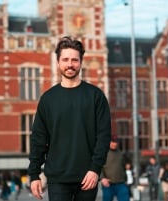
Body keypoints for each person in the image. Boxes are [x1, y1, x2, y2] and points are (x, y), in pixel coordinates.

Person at [28, 36, 112, 201]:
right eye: (65, 59)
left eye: (74, 60)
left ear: (81, 62)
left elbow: (103, 136)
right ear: (58, 62)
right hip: (57, 178)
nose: (70, 64)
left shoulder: (95, 96)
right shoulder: (48, 99)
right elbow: (38, 139)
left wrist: (95, 169)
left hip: (87, 177)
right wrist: (34, 174)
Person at [100, 135, 129, 201]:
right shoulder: (103, 153)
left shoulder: (121, 153)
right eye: (112, 142)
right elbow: (99, 166)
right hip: (108, 185)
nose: (114, 144)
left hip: (121, 183)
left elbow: (125, 166)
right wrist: (102, 178)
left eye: (116, 142)